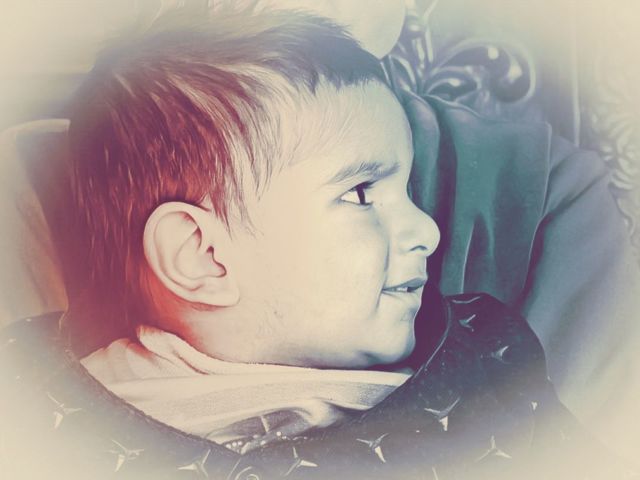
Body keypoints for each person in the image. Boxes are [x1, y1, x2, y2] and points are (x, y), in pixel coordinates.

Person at [0, 6, 635, 480]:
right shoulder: (43, 414)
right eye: (361, 194)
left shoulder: (483, 372)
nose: (428, 231)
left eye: (408, 189)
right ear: (204, 256)